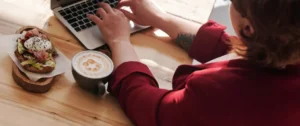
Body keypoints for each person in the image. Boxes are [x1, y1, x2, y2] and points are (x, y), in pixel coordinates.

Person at [87, 0, 300, 125]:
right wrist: (161, 19)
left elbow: (151, 109)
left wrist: (119, 40)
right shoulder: (289, 49)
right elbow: (239, 48)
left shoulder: (219, 92)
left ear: (248, 29)